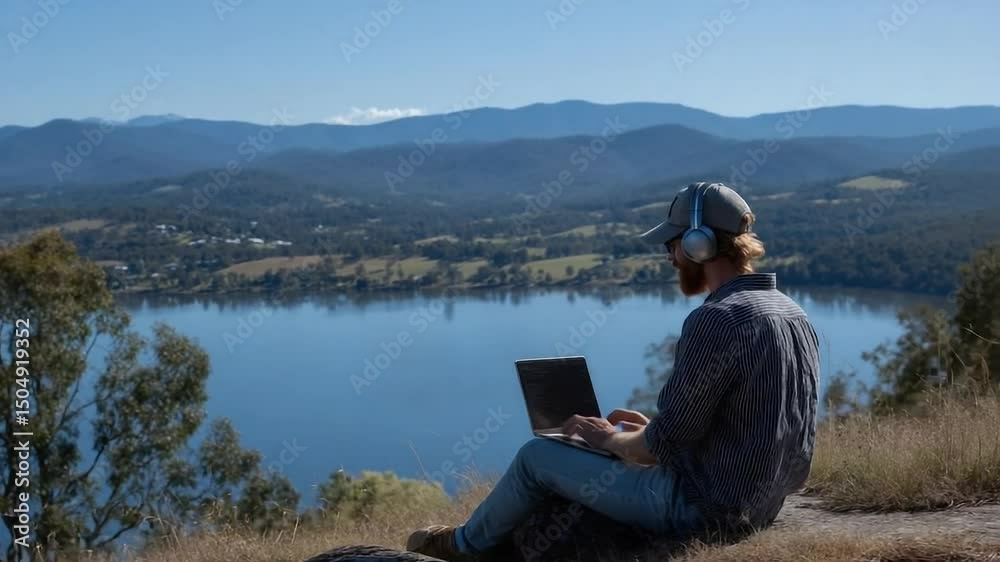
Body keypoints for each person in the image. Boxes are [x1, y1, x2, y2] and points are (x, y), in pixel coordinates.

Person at [406, 181, 820, 561]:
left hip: (701, 508)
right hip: (761, 505)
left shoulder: (717, 319)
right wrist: (643, 432)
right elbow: (752, 423)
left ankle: (462, 546)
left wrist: (611, 439)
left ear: (699, 244)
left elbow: (660, 446)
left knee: (536, 457)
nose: (670, 257)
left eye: (672, 244)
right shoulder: (792, 313)